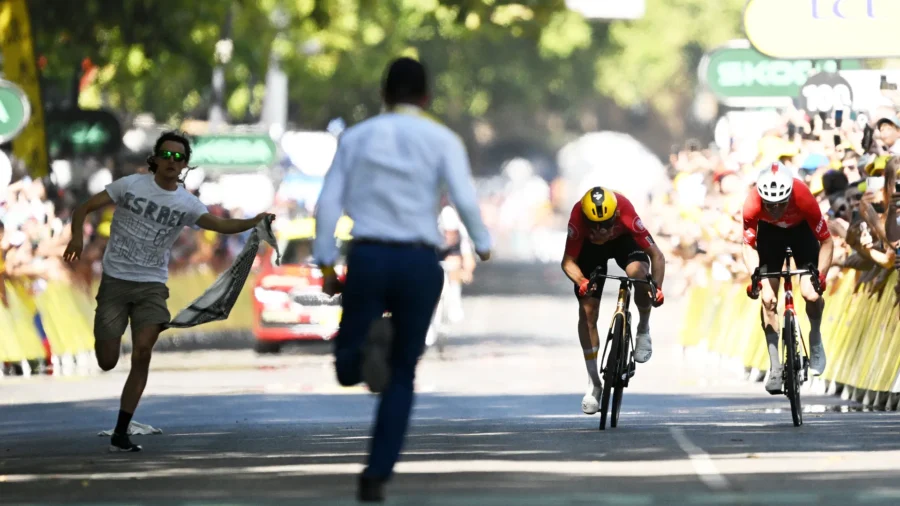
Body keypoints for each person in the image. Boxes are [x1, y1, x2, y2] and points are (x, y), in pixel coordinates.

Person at [313, 57, 491, 503]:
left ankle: (361, 352)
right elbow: (465, 198)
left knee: (345, 364)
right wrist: (483, 243)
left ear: (383, 94)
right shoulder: (443, 139)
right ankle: (376, 474)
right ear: (427, 97)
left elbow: (328, 201)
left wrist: (326, 261)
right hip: (418, 263)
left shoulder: (354, 138)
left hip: (369, 256)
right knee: (403, 375)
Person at [63, 131, 274, 452]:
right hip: (115, 282)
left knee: (143, 351)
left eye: (179, 158)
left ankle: (121, 431)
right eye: (167, 155)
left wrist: (252, 221)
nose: (172, 162)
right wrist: (77, 237)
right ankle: (113, 372)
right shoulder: (129, 186)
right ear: (156, 159)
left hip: (152, 285)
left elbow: (219, 225)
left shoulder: (186, 203)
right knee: (106, 360)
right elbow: (83, 208)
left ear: (185, 165)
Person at [561, 186, 666, 416]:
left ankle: (643, 329)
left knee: (638, 273)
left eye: (606, 225)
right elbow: (568, 261)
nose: (600, 230)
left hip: (623, 243)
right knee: (587, 310)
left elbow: (657, 255)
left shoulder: (625, 210)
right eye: (594, 225)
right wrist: (581, 280)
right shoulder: (578, 217)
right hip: (590, 250)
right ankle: (594, 383)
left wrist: (656, 287)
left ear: (615, 216)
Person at [742, 162, 833, 393]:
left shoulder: (803, 195)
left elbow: (827, 242)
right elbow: (748, 246)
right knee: (768, 300)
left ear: (789, 196)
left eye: (781, 204)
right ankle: (774, 366)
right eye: (770, 205)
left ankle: (815, 337)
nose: (775, 210)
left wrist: (821, 275)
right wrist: (756, 278)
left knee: (811, 293)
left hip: (801, 232)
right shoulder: (752, 204)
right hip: (770, 236)